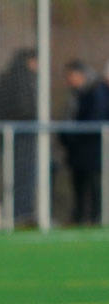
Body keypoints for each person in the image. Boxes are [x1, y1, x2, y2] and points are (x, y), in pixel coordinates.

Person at [59, 60, 109, 226]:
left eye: (72, 75)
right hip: (78, 149)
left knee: (94, 184)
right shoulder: (77, 93)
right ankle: (79, 217)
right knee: (79, 185)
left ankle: (96, 217)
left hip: (92, 148)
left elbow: (95, 117)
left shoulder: (96, 92)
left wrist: (74, 137)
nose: (69, 79)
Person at [0, 49, 38, 228]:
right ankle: (20, 214)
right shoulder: (22, 80)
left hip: (9, 136)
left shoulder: (8, 78)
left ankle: (17, 212)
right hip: (21, 136)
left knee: (14, 175)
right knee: (22, 175)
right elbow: (23, 108)